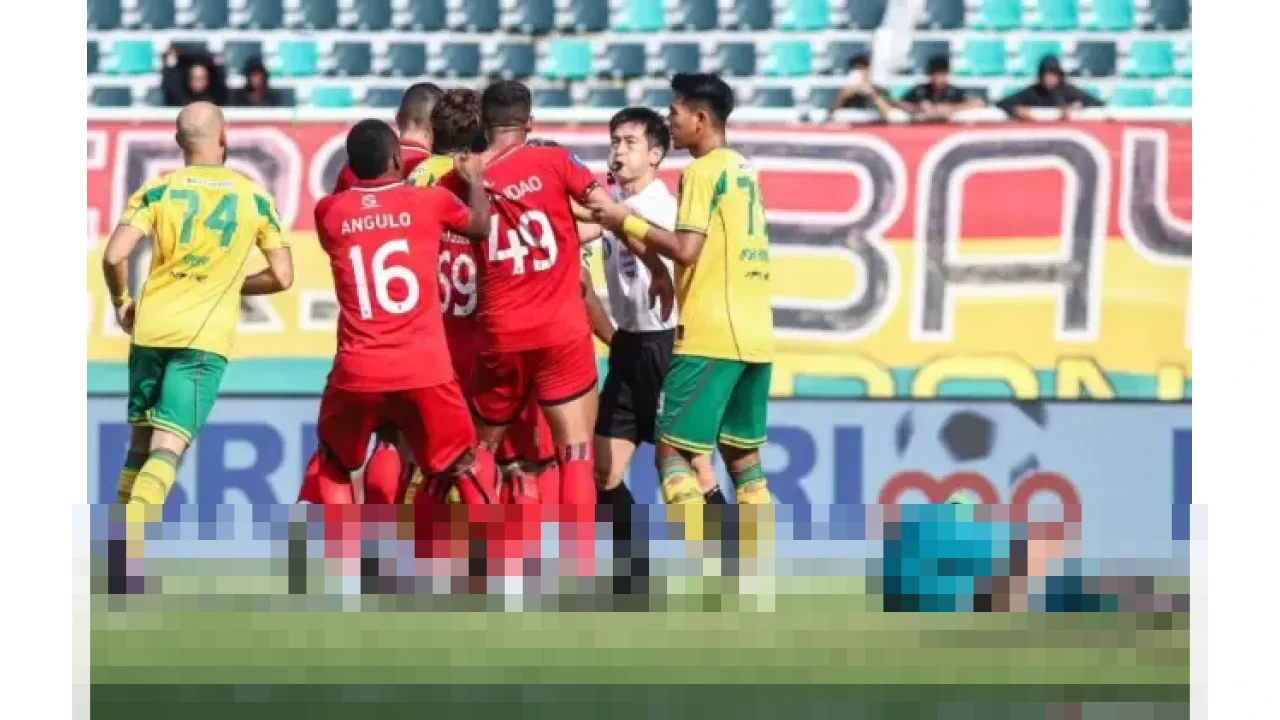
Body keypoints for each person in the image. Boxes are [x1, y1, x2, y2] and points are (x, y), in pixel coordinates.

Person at [432, 80, 665, 510]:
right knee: (575, 454)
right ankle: (577, 568)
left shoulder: (458, 178)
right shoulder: (555, 161)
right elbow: (606, 210)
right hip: (561, 329)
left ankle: (474, 562)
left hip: (499, 332)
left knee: (483, 452)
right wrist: (653, 259)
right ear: (530, 122)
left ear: (484, 122)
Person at [595, 73, 774, 507]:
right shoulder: (743, 169)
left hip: (710, 333)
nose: (671, 122)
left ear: (700, 118)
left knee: (673, 453)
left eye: (675, 114)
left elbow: (687, 250)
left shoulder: (702, 171)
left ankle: (707, 565)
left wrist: (624, 219)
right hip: (756, 334)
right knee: (743, 460)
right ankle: (757, 562)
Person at [102, 101, 294, 507]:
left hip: (150, 328)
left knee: (139, 445)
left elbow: (114, 256)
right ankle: (125, 559)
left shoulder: (157, 189)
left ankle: (112, 546)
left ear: (178, 142)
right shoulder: (254, 197)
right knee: (169, 445)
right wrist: (230, 283)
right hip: (201, 340)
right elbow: (282, 276)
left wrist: (122, 301)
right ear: (223, 140)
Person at [295, 119, 493, 506]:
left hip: (359, 367)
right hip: (425, 367)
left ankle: (348, 561)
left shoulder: (329, 213)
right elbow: (480, 227)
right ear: (396, 157)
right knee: (463, 462)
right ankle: (500, 559)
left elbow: (355, 206)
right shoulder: (429, 202)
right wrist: (474, 181)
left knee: (335, 460)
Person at [592, 107, 721, 509]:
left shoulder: (662, 207)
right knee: (604, 471)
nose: (619, 151)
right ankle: (633, 572)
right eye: (615, 142)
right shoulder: (613, 206)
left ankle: (735, 564)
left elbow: (673, 252)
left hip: (668, 347)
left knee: (692, 468)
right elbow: (585, 222)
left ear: (655, 155)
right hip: (628, 346)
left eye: (630, 143)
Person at [332, 83, 449, 193]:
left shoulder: (357, 165)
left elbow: (336, 209)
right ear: (441, 127)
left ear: (398, 118)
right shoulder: (446, 171)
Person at [997, 56, 1105, 121]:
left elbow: (1099, 103)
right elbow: (1002, 103)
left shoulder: (1068, 91)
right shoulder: (1033, 91)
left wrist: (1076, 107)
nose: (1049, 78)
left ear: (1059, 76)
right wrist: (1016, 110)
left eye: (1053, 74)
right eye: (1046, 75)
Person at [897, 56, 985, 121]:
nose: (938, 78)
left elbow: (978, 103)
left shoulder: (954, 91)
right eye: (935, 74)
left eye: (941, 74)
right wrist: (917, 107)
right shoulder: (920, 90)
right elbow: (900, 103)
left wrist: (949, 108)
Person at [824, 54, 893, 122]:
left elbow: (889, 116)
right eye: (856, 70)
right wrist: (843, 96)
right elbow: (829, 116)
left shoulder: (879, 90)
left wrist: (873, 95)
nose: (860, 73)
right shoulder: (843, 92)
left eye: (862, 69)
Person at [160, 46, 228, 106]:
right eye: (194, 78)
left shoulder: (216, 96)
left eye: (202, 78)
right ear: (188, 80)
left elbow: (220, 72)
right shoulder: (178, 96)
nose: (198, 82)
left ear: (207, 80)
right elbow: (169, 77)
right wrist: (178, 54)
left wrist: (211, 58)